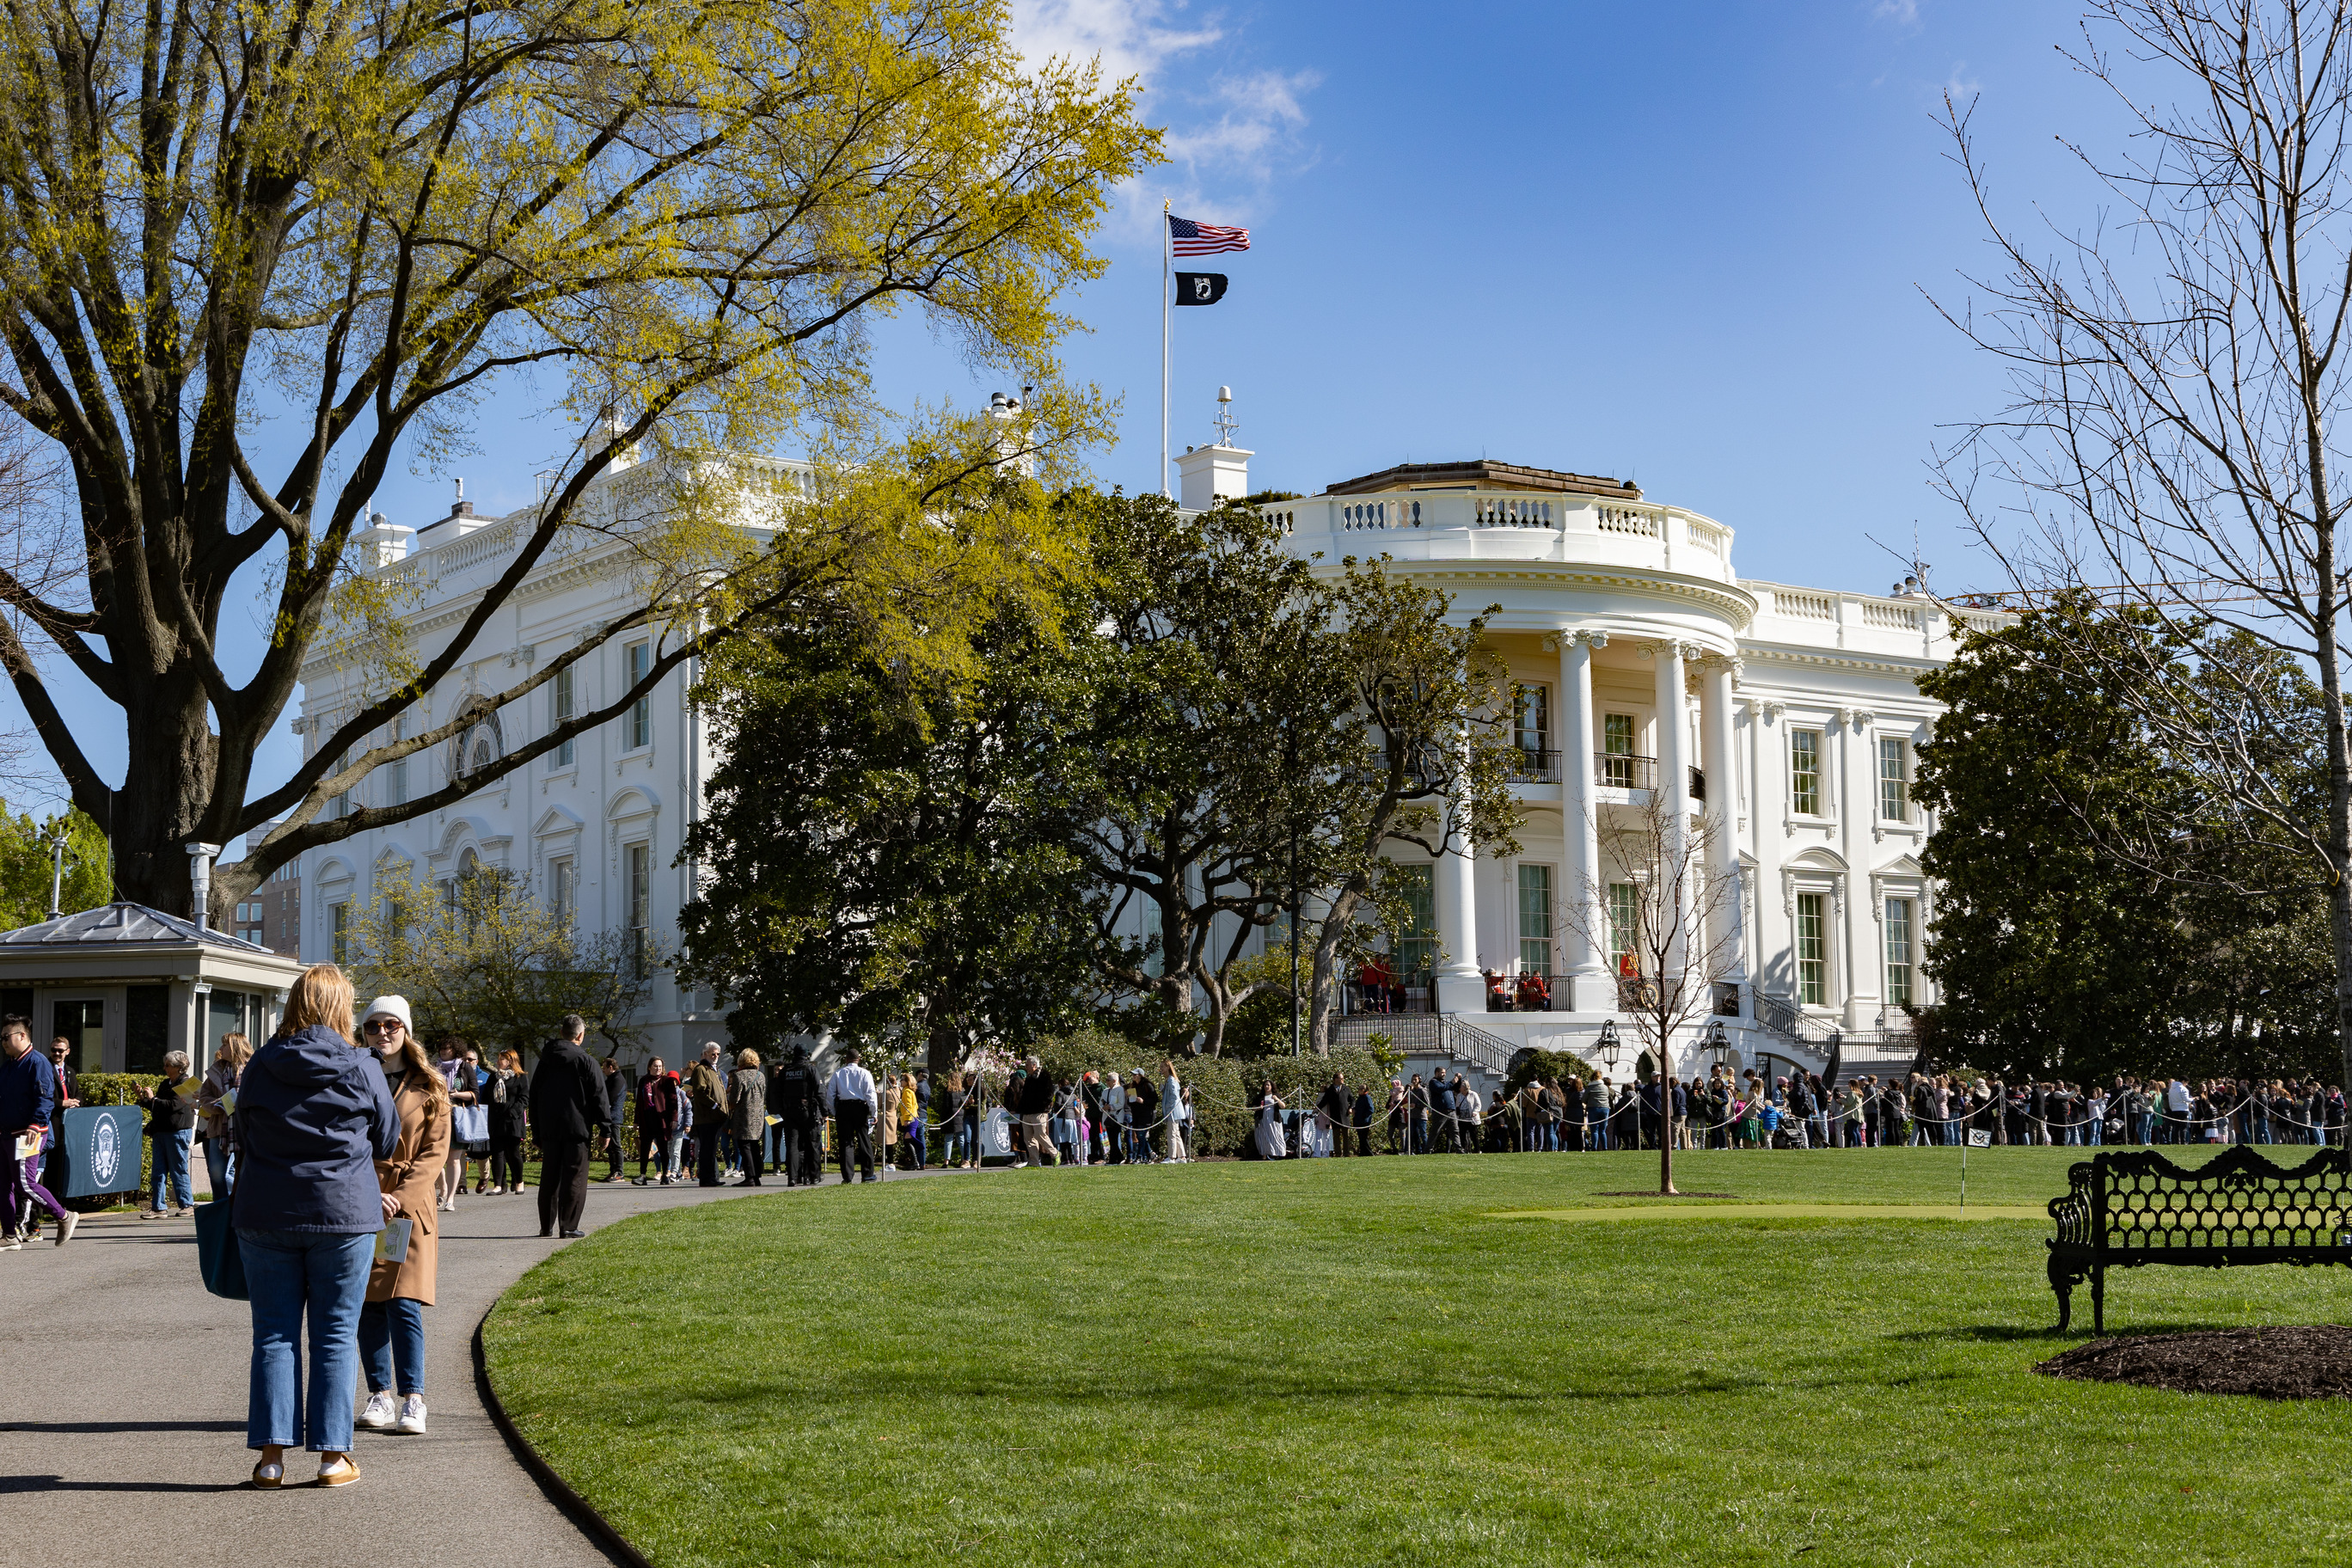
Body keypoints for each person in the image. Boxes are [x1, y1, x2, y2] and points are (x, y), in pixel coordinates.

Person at [232, 963, 401, 1488]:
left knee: (274, 1337)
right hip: (342, 1212)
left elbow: (241, 1129)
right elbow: (388, 1137)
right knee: (334, 1335)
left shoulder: (260, 1064)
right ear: (340, 1008)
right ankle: (332, 1458)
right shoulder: (361, 1064)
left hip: (267, 1211)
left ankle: (271, 1459)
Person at [353, 997, 448, 1438]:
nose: (383, 1033)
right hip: (361, 1200)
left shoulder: (431, 1087)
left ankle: (415, 1398)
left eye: (392, 1024)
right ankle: (379, 1394)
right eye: (373, 1026)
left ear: (406, 1031)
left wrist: (398, 1197)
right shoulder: (353, 1076)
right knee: (368, 1304)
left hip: (409, 1207)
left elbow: (435, 1154)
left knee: (404, 1302)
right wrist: (372, 1193)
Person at [0, 1015, 75, 1249]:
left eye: (6, 1037)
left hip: (29, 1133)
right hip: (6, 1134)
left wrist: (35, 1124)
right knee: (2, 1185)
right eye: (1, 1038)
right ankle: (10, 1235)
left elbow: (45, 1099)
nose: (2, 1042)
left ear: (22, 1036)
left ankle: (64, 1216)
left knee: (25, 1183)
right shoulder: (9, 1066)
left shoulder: (38, 1062)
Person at [528, 1014, 603, 1238]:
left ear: (561, 1033)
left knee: (549, 1177)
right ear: (580, 1035)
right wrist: (606, 1128)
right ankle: (568, 1225)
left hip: (550, 1128)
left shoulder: (544, 1061)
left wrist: (537, 1131)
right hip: (577, 1127)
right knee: (574, 1177)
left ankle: (545, 1226)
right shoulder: (586, 1060)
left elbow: (535, 1097)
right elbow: (599, 1096)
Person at [138, 1050, 201, 1216]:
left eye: (168, 1065)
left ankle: (187, 1204)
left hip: (177, 1132)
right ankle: (158, 1207)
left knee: (178, 1169)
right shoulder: (166, 1083)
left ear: (179, 1067)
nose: (165, 1068)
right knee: (158, 1171)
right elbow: (157, 1106)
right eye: (165, 1064)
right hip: (161, 1131)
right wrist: (142, 1099)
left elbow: (174, 1106)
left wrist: (153, 1099)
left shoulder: (186, 1083)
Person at [197, 1032, 253, 1202]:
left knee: (245, 1175)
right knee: (216, 1174)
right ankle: (222, 1210)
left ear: (236, 1047)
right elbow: (204, 1097)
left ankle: (242, 1212)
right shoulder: (217, 1069)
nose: (221, 1049)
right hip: (219, 1129)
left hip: (245, 1129)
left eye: (224, 1045)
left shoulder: (254, 1069)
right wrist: (219, 1104)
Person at [824, 1044, 879, 1183]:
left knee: (846, 1143)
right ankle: (867, 1174)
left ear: (846, 1059)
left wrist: (834, 1111)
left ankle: (847, 1176)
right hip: (860, 1107)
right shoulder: (865, 1073)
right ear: (858, 1059)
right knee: (864, 1141)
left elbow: (830, 1095)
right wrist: (874, 1112)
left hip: (843, 1108)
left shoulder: (838, 1073)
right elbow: (870, 1094)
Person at [771, 1045, 824, 1185]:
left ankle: (792, 1178)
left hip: (789, 1112)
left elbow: (777, 1092)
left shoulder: (786, 1070)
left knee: (792, 1145)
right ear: (806, 1055)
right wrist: (824, 1112)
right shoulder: (810, 1069)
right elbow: (819, 1092)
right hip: (807, 1111)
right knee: (810, 1144)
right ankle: (810, 1177)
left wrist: (782, 1110)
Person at [684, 1043, 730, 1186]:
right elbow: (700, 1092)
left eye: (717, 1054)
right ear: (704, 1054)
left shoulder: (715, 1070)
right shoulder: (701, 1070)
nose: (715, 1056)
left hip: (716, 1117)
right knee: (706, 1149)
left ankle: (712, 1177)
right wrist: (715, 1105)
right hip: (706, 1117)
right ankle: (706, 1178)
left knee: (711, 1149)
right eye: (712, 1054)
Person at [485, 1050, 530, 1194]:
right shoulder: (493, 1078)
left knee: (513, 1153)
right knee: (497, 1152)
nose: (498, 1062)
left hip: (512, 1121)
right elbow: (487, 1097)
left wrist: (512, 1112)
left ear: (510, 1061)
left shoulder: (520, 1077)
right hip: (496, 1120)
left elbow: (524, 1098)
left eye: (502, 1059)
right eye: (498, 1059)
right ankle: (499, 1185)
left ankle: (519, 1181)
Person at [726, 1049, 768, 1185]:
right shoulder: (761, 1075)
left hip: (744, 1115)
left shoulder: (740, 1075)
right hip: (758, 1115)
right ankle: (757, 1176)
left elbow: (734, 1098)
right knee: (755, 1145)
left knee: (744, 1145)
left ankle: (749, 1177)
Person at [633, 1057, 677, 1185]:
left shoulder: (667, 1081)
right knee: (645, 1148)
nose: (658, 1069)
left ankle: (665, 1175)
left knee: (663, 1148)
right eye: (655, 1066)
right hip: (647, 1119)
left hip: (662, 1119)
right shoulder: (643, 1081)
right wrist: (636, 1120)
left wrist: (674, 1118)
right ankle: (643, 1175)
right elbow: (639, 1102)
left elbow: (674, 1101)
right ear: (649, 1067)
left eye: (660, 1066)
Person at [599, 1057, 629, 1181]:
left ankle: (619, 1172)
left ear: (610, 1067)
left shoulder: (618, 1080)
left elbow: (609, 1098)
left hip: (614, 1117)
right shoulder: (612, 1079)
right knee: (610, 1146)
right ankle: (613, 1171)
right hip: (609, 1116)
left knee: (616, 1145)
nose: (603, 1070)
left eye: (604, 1068)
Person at [1162, 1059, 1187, 1163]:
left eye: (1162, 1067)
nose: (1161, 1070)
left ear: (1168, 1067)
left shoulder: (1172, 1080)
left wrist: (1168, 1107)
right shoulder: (1169, 1080)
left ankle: (1172, 1157)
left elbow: (1174, 1096)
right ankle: (1182, 1157)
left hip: (1173, 1110)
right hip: (1173, 1110)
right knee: (1176, 1133)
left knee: (1171, 1133)